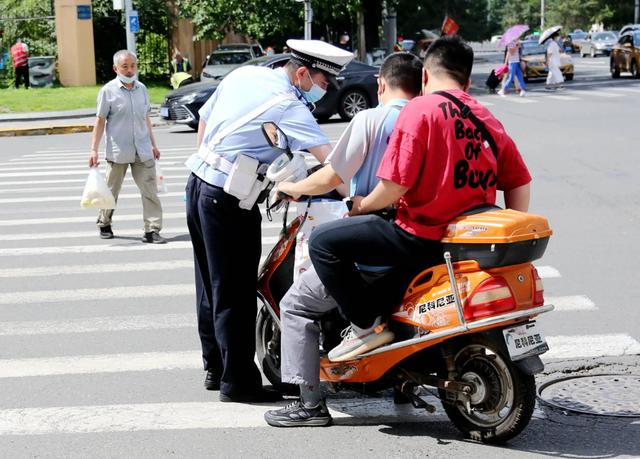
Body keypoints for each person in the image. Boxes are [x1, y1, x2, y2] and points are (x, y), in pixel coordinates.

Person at [309, 35, 532, 362]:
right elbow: (519, 182)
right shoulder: (486, 117)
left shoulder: (420, 110)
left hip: (420, 237)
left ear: (425, 77)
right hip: (465, 244)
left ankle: (364, 328)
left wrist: (361, 206)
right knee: (387, 287)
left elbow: (394, 187)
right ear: (467, 81)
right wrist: (507, 230)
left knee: (322, 242)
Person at [184, 39, 353, 403]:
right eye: (324, 83)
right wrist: (359, 201)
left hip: (198, 185)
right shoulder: (289, 105)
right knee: (236, 291)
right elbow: (332, 165)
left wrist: (213, 162)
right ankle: (238, 383)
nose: (324, 92)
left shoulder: (246, 74)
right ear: (303, 73)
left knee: (209, 285)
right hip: (228, 200)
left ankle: (215, 367)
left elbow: (205, 118)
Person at [263, 52, 423, 427]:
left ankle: (309, 405)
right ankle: (400, 382)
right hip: (423, 239)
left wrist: (292, 187)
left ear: (381, 84)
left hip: (379, 238)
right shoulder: (431, 119)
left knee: (297, 304)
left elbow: (332, 176)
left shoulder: (371, 118)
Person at [88, 50, 165, 244]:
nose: (130, 70)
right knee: (111, 190)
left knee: (150, 191)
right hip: (118, 150)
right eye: (125, 66)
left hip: (143, 149)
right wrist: (94, 150)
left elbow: (146, 119)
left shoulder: (142, 89)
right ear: (116, 68)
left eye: (133, 66)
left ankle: (152, 230)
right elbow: (100, 121)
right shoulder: (108, 91)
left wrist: (154, 145)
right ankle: (104, 222)